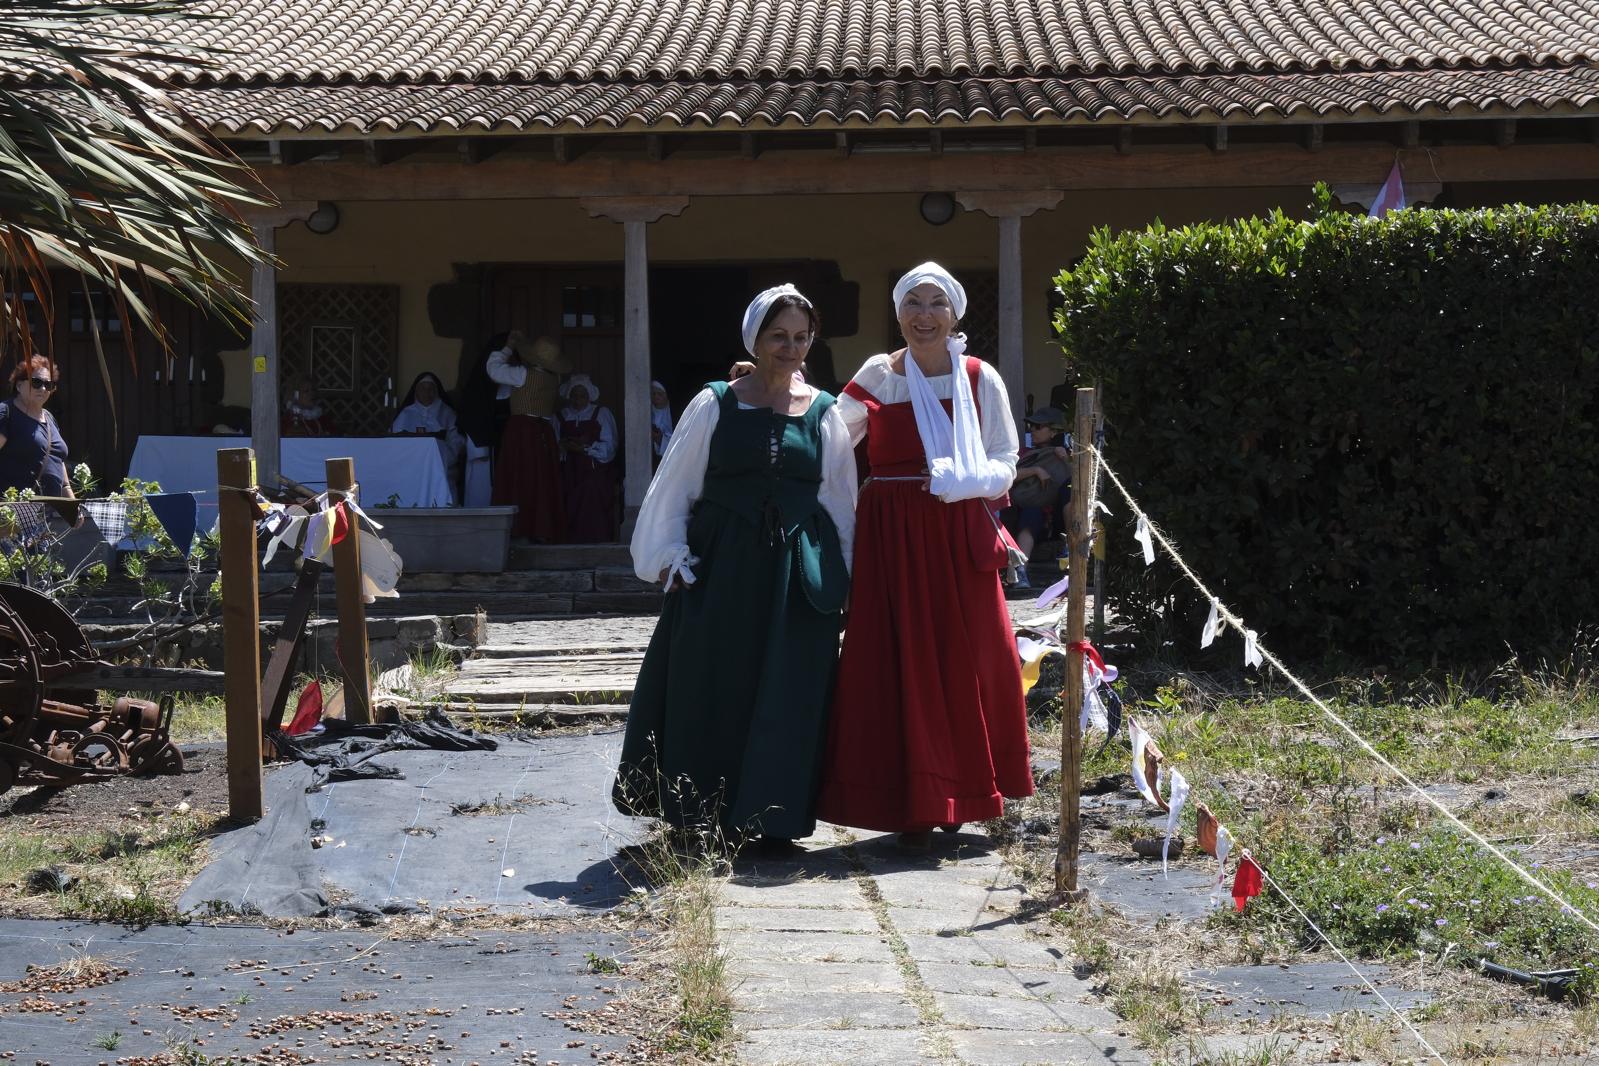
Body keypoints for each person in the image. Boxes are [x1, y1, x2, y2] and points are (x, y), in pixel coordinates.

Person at [615, 285, 856, 846]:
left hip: (797, 571)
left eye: (801, 337)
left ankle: (771, 820)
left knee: (789, 690)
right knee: (709, 682)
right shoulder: (715, 402)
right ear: (755, 338)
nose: (790, 348)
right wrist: (669, 555)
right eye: (778, 336)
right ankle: (696, 818)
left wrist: (844, 578)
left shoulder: (824, 412)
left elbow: (841, 501)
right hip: (720, 564)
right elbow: (674, 486)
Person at [815, 262, 1032, 849]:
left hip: (955, 532)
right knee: (898, 659)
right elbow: (830, 439)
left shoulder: (979, 377)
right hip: (891, 537)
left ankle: (963, 791)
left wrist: (964, 481)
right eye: (913, 303)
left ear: (956, 313)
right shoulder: (878, 376)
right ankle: (906, 795)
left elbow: (1005, 460)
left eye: (937, 303)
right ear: (898, 313)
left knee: (972, 656)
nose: (924, 315)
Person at [495, 336, 569, 541]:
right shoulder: (554, 380)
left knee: (520, 477)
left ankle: (520, 529)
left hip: (521, 432)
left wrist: (508, 347)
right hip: (544, 432)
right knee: (542, 480)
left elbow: (493, 369)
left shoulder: (522, 374)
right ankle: (543, 529)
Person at [1002, 406, 1072, 586]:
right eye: (1031, 427)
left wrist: (1065, 457)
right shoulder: (1025, 453)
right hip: (1031, 512)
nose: (1032, 431)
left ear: (1054, 431)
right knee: (1031, 513)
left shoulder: (1066, 452)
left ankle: (1071, 549)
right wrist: (1035, 469)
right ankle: (1021, 571)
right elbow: (1008, 476)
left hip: (1059, 517)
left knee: (1069, 489)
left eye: (1038, 427)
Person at [456, 331, 521, 508]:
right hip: (485, 448)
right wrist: (479, 447)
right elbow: (471, 417)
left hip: (511, 443)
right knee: (482, 487)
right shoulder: (478, 386)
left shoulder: (516, 378)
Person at [557, 373, 618, 542]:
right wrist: (564, 446)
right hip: (567, 467)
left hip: (595, 467)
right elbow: (552, 444)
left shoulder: (601, 413)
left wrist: (586, 449)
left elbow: (610, 445)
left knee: (591, 489)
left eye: (582, 396)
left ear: (589, 396)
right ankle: (565, 538)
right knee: (560, 488)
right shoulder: (561, 416)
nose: (578, 400)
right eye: (574, 396)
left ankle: (594, 537)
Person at [0, 356, 71, 498]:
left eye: (48, 384)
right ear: (19, 385)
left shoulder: (50, 419)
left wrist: (73, 507)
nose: (43, 388)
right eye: (36, 382)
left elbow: (59, 466)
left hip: (50, 514)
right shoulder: (6, 413)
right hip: (13, 512)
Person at [391, 372, 465, 493]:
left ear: (436, 391)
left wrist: (443, 458)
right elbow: (395, 442)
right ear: (416, 391)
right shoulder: (405, 414)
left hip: (442, 468)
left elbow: (457, 441)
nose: (427, 392)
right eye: (423, 388)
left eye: (430, 388)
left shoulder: (447, 413)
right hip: (411, 469)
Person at [650, 380, 674, 465]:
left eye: (660, 394)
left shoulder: (676, 412)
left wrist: (660, 440)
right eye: (653, 394)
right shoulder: (646, 412)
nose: (656, 396)